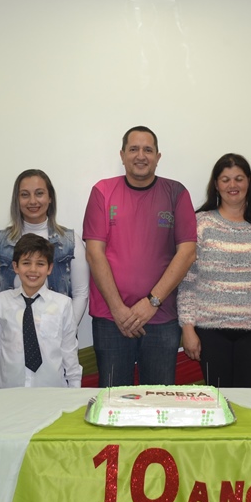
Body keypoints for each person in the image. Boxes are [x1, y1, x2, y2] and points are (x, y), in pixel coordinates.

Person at [83, 126, 197, 387]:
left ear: (158, 156)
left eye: (148, 149)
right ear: (122, 155)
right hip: (111, 318)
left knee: (158, 400)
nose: (141, 155)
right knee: (112, 400)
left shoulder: (176, 193)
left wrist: (151, 302)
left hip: (161, 317)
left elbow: (187, 253)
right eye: (133, 149)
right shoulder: (102, 191)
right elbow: (94, 253)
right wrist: (118, 309)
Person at [178, 153, 251, 387]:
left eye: (239, 179)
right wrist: (188, 328)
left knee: (248, 401)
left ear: (248, 182)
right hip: (210, 331)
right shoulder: (200, 224)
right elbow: (187, 282)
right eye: (225, 180)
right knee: (218, 400)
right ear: (216, 184)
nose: (232, 185)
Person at [0, 169, 88, 374]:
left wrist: (62, 332)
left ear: (50, 198)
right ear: (17, 199)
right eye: (24, 194)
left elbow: (81, 293)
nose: (32, 201)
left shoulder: (70, 241)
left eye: (39, 193)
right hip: (10, 348)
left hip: (57, 347)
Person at [0, 234, 82, 388]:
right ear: (15, 266)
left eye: (40, 264)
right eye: (26, 263)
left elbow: (69, 351)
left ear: (49, 268)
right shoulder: (1, 302)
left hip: (51, 389)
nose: (33, 270)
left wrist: (75, 386)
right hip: (11, 389)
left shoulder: (63, 304)